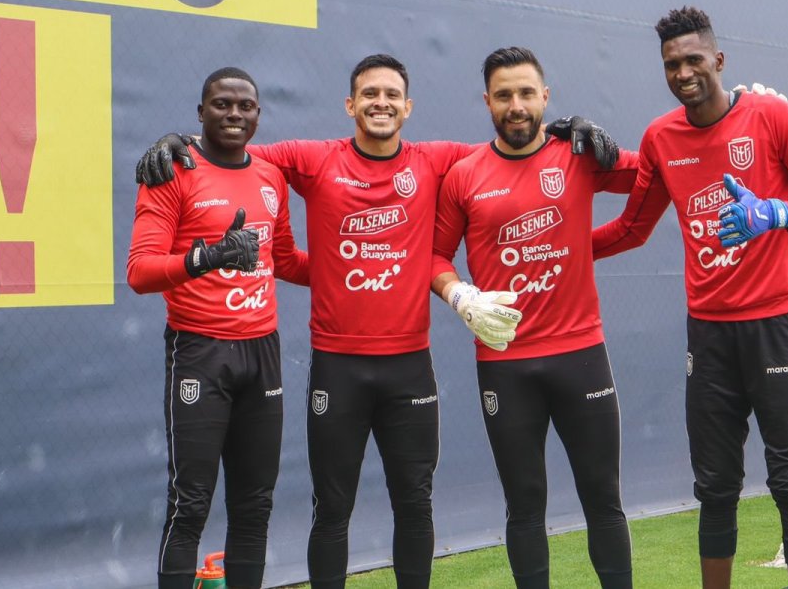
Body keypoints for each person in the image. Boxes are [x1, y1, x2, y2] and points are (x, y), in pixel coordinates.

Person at [131, 54, 619, 588]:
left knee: (414, 503)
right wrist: (175, 141)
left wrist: (565, 130)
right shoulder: (310, 159)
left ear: (407, 107)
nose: (380, 103)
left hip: (409, 366)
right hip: (334, 367)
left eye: (391, 95)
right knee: (329, 509)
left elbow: (508, 148)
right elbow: (231, 148)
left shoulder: (438, 160)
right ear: (350, 105)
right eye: (369, 94)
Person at [592, 6, 788, 589]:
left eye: (693, 60)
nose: (683, 72)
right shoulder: (661, 137)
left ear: (719, 61)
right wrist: (564, 251)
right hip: (708, 335)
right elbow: (633, 228)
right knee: (714, 484)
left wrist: (775, 213)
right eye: (671, 64)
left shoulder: (772, 116)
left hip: (779, 323)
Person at [430, 46, 640, 589]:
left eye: (527, 93)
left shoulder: (578, 155)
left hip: (581, 355)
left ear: (546, 97)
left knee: (603, 499)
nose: (516, 105)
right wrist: (460, 297)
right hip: (505, 363)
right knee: (524, 505)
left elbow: (658, 172)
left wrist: (740, 110)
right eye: (504, 95)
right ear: (487, 102)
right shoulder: (464, 175)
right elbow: (434, 257)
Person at [126, 67, 309, 589]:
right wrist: (205, 257)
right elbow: (140, 272)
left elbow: (287, 260)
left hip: (263, 354)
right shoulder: (173, 170)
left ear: (258, 115)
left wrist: (362, 265)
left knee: (255, 504)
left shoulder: (271, 175)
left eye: (245, 106)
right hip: (201, 353)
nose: (234, 114)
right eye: (221, 104)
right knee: (191, 504)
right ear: (200, 112)